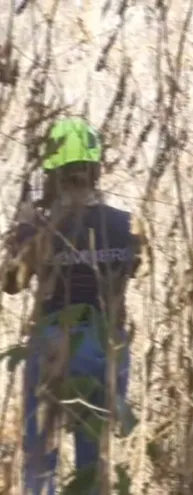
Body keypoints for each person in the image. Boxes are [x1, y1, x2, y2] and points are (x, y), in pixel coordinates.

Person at [2, 116, 142, 494]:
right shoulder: (125, 223)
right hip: (106, 348)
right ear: (96, 170)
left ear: (53, 174)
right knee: (93, 465)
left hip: (53, 345)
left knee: (40, 462)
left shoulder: (42, 227)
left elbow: (11, 283)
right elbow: (132, 270)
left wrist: (26, 230)